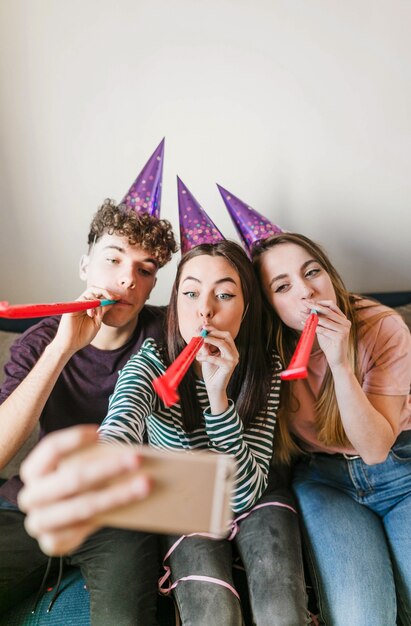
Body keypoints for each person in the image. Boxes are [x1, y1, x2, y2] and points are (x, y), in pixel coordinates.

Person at [19, 240, 310, 626]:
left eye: (224, 294)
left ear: (247, 306)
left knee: (282, 614)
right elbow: (120, 424)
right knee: (214, 615)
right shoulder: (151, 363)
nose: (205, 309)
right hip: (183, 501)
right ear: (175, 306)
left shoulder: (266, 367)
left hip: (256, 493)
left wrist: (218, 397)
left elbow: (242, 495)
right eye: (190, 293)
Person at [0, 198, 178, 625]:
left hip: (118, 515)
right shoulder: (40, 342)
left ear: (154, 284)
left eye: (145, 269)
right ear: (84, 266)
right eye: (113, 259)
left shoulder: (169, 334)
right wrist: (63, 348)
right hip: (32, 505)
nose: (126, 280)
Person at [252, 231, 411, 626]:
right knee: (363, 617)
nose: (307, 291)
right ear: (268, 304)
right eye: (283, 286)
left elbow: (376, 450)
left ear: (330, 275)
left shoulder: (381, 326)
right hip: (325, 480)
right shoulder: (263, 349)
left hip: (399, 469)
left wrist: (341, 364)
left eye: (313, 272)